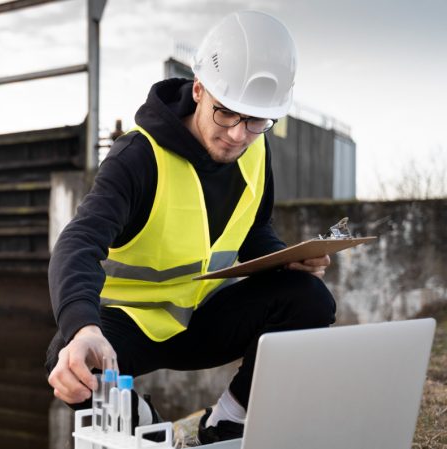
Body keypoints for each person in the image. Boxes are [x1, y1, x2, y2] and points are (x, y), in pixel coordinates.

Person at [45, 10, 336, 444]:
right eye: (226, 114)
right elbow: (79, 242)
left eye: (256, 121)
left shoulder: (256, 150)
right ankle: (148, 428)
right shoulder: (137, 159)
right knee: (67, 358)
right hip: (134, 326)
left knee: (309, 298)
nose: (239, 135)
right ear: (199, 90)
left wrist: (284, 262)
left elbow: (254, 230)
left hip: (205, 319)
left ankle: (227, 423)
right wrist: (84, 327)